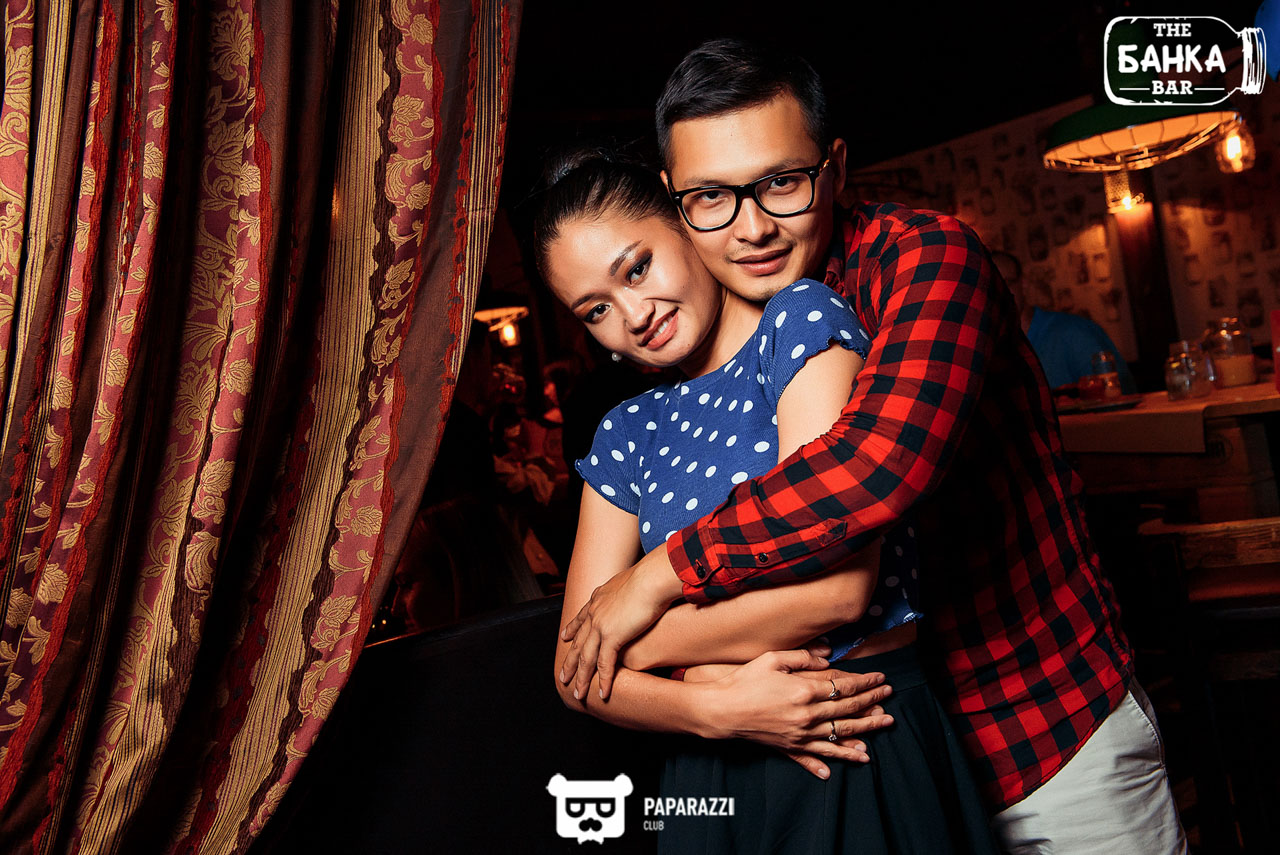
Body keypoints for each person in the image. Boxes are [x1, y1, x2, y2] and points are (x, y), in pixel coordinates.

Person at [560, 39, 1187, 853]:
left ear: (835, 169)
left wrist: (651, 585)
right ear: (678, 206)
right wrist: (695, 689)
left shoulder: (924, 258)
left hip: (1044, 729)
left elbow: (872, 470)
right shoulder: (702, 375)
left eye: (781, 182)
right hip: (891, 756)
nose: (751, 227)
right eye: (712, 196)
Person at [538, 149, 998, 852]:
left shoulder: (798, 322)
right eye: (596, 309)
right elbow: (573, 675)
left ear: (684, 225)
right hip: (706, 765)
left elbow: (836, 591)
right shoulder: (626, 431)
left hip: (848, 730)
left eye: (637, 268)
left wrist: (636, 630)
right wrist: (708, 707)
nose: (633, 314)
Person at [991, 250, 1137, 393]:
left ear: (1023, 284)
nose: (997, 294)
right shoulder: (989, 347)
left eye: (1006, 284)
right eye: (988, 288)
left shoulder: (1072, 332)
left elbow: (1117, 394)